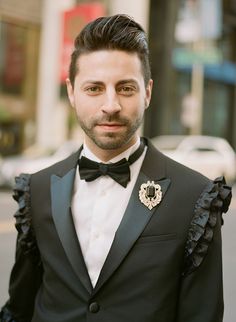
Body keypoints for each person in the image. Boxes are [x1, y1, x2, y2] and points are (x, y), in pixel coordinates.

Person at [0, 14, 232, 322]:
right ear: (71, 92)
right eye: (94, 88)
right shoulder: (37, 190)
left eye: (125, 88)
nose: (111, 105)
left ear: (147, 92)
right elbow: (18, 310)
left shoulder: (196, 197)